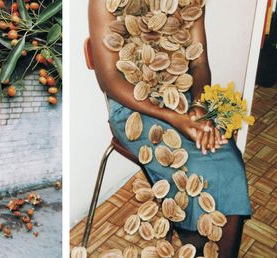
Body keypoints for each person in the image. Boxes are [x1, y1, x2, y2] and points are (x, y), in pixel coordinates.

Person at [87, 0, 251, 257]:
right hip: (134, 109)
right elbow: (108, 79)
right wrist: (173, 117)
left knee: (229, 164)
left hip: (183, 98)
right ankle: (194, 239)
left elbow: (198, 64)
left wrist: (198, 106)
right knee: (195, 171)